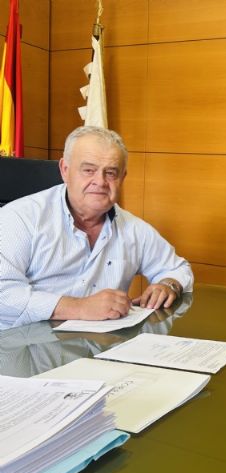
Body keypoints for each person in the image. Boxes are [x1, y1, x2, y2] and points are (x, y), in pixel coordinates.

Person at [0, 126, 194, 330]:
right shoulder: (20, 218)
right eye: (88, 170)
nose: (100, 182)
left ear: (122, 178)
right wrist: (78, 307)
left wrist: (168, 284)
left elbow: (177, 269)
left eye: (110, 173)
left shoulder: (134, 229)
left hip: (101, 345)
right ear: (65, 170)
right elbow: (3, 293)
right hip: (22, 345)